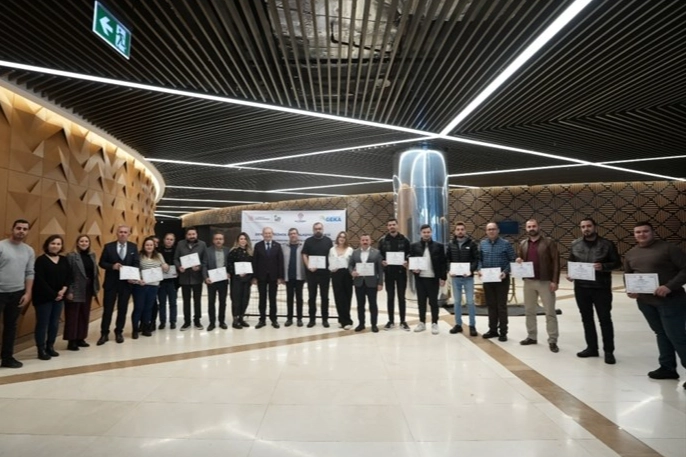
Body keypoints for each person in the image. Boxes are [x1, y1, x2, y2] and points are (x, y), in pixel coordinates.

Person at [624, 221, 686, 388]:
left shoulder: (668, 248)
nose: (641, 234)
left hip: (671, 301)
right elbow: (628, 275)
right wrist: (630, 290)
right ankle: (667, 368)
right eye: (638, 232)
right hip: (646, 302)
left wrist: (669, 286)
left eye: (645, 231)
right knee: (661, 333)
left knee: (677, 336)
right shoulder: (631, 254)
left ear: (653, 232)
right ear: (634, 235)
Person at [567, 217, 621, 364]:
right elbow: (572, 262)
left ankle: (609, 351)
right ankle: (592, 348)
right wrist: (571, 274)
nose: (586, 229)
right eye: (583, 227)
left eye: (589, 226)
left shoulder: (607, 244)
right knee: (586, 319)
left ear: (595, 227)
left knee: (605, 319)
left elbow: (617, 263)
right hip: (581, 288)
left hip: (601, 287)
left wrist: (603, 266)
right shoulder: (575, 244)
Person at [516, 219, 561, 353]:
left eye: (534, 226)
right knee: (529, 310)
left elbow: (556, 262)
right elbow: (521, 260)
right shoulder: (523, 244)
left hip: (545, 281)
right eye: (529, 226)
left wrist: (555, 280)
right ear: (526, 229)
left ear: (538, 227)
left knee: (550, 312)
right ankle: (531, 336)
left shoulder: (549, 242)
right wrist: (518, 261)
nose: (531, 228)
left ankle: (552, 340)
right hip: (528, 282)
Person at [0, 220, 35, 368]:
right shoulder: (1, 246)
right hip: (0, 292)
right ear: (12, 229)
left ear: (27, 232)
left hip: (17, 293)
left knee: (11, 327)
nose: (21, 231)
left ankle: (7, 358)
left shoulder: (29, 250)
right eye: (18, 228)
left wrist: (28, 293)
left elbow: (30, 272)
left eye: (25, 229)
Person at [98, 225, 140, 345]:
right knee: (108, 309)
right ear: (117, 233)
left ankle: (119, 332)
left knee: (122, 309)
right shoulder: (108, 246)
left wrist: (132, 276)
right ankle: (104, 333)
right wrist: (112, 266)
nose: (122, 234)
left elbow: (136, 263)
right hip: (111, 283)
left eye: (125, 232)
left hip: (126, 284)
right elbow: (101, 263)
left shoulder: (133, 247)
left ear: (129, 234)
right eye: (120, 232)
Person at [32, 235, 72, 360]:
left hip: (59, 297)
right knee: (42, 324)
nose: (55, 246)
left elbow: (69, 276)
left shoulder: (64, 259)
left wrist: (63, 290)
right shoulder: (41, 260)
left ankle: (50, 346)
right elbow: (40, 280)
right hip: (43, 298)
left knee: (54, 323)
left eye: (58, 244)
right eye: (53, 243)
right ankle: (41, 349)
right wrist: (55, 294)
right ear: (47, 245)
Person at [479, 222, 516, 342]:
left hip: (502, 279)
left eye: (493, 229)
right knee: (491, 306)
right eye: (489, 229)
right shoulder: (483, 244)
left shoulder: (506, 244)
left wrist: (505, 272)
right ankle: (492, 330)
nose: (491, 231)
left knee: (501, 306)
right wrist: (479, 269)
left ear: (498, 230)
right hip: (487, 280)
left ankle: (503, 332)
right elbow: (479, 260)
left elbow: (512, 260)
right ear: (486, 231)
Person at [409, 224, 447, 335]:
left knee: (433, 302)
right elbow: (410, 260)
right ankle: (422, 322)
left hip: (433, 278)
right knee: (421, 302)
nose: (426, 234)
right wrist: (413, 269)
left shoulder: (439, 246)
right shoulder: (414, 246)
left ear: (431, 233)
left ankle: (434, 323)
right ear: (420, 233)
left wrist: (443, 277)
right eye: (424, 232)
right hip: (420, 279)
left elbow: (443, 263)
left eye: (428, 232)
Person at [64, 235, 100, 351]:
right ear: (77, 243)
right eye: (81, 241)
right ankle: (71, 340)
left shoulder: (92, 255)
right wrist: (69, 291)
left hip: (88, 288)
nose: (84, 243)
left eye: (86, 241)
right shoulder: (71, 256)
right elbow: (68, 274)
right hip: (75, 288)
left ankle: (81, 337)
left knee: (84, 313)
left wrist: (96, 288)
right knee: (73, 315)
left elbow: (94, 273)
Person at [446, 221, 480, 336]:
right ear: (455, 231)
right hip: (455, 278)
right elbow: (447, 259)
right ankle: (458, 324)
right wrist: (449, 269)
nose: (460, 231)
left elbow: (476, 259)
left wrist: (471, 269)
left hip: (468, 277)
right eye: (458, 229)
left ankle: (472, 325)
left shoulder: (472, 244)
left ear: (465, 231)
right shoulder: (451, 244)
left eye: (462, 229)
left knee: (470, 301)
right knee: (457, 302)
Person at [378, 218, 411, 331]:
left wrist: (407, 261)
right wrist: (382, 261)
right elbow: (380, 255)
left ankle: (403, 321)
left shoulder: (405, 239)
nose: (392, 226)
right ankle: (390, 321)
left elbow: (409, 253)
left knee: (402, 297)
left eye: (393, 224)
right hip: (389, 273)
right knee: (390, 297)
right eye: (389, 225)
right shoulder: (382, 240)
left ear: (397, 226)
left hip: (401, 272)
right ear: (387, 227)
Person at [132, 236, 168, 339]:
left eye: (151, 245)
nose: (149, 246)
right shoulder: (139, 255)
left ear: (154, 246)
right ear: (144, 246)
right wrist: (138, 279)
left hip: (154, 286)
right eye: (147, 245)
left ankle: (145, 328)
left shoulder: (159, 255)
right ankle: (135, 329)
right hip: (141, 285)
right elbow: (135, 269)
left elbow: (165, 268)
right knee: (139, 308)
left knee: (148, 308)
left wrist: (165, 266)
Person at [174, 226, 207, 331]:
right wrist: (179, 267)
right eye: (189, 234)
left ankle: (197, 321)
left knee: (197, 301)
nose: (192, 236)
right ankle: (187, 322)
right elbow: (176, 259)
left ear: (197, 235)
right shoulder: (180, 244)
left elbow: (204, 260)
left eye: (193, 234)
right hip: (184, 277)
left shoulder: (202, 244)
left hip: (197, 277)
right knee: (186, 301)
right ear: (186, 235)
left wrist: (199, 267)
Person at [302, 222, 334, 328]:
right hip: (312, 274)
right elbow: (304, 254)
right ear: (313, 230)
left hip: (325, 274)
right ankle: (312, 319)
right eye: (316, 229)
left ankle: (325, 319)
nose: (318, 230)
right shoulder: (308, 241)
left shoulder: (328, 241)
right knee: (312, 297)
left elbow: (332, 256)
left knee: (325, 297)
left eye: (319, 228)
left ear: (323, 229)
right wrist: (308, 266)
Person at [350, 234, 384, 332]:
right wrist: (352, 272)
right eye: (363, 240)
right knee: (360, 305)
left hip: (372, 283)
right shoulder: (355, 252)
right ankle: (361, 324)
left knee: (373, 304)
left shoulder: (376, 253)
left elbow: (380, 269)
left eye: (367, 240)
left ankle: (374, 324)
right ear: (360, 241)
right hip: (359, 282)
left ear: (370, 241)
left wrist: (380, 283)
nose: (365, 242)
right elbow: (350, 265)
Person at [252, 227, 284, 329]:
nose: (268, 235)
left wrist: (280, 277)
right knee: (262, 299)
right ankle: (262, 320)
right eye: (266, 233)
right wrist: (254, 277)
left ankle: (274, 319)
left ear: (272, 234)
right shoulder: (258, 246)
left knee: (272, 299)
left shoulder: (277, 246)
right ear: (262, 234)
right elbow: (255, 262)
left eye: (269, 233)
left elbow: (280, 262)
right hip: (261, 277)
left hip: (273, 277)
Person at [227, 232, 253, 329]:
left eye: (245, 239)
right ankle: (235, 320)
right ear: (238, 241)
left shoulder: (250, 252)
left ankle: (241, 318)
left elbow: (253, 266)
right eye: (241, 239)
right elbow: (229, 265)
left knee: (245, 299)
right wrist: (237, 272)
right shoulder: (233, 251)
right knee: (236, 300)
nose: (243, 240)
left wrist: (249, 275)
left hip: (247, 280)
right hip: (236, 280)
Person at [205, 232, 230, 331]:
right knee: (211, 302)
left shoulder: (227, 250)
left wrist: (229, 273)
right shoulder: (207, 251)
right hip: (212, 280)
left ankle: (222, 321)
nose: (218, 241)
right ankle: (212, 323)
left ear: (223, 240)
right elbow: (204, 265)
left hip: (223, 280)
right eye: (216, 239)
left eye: (220, 239)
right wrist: (205, 277)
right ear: (213, 240)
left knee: (223, 302)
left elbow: (230, 264)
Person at [329, 231, 354, 330]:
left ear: (346, 239)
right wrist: (332, 268)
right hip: (336, 274)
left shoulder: (350, 250)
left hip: (347, 274)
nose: (342, 238)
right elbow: (329, 261)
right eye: (340, 236)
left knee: (347, 297)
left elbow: (352, 263)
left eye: (344, 237)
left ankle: (347, 321)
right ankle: (341, 319)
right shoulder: (332, 250)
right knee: (338, 297)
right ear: (337, 238)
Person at [282, 228, 305, 327]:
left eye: (295, 233)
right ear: (288, 235)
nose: (293, 235)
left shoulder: (303, 246)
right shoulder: (284, 247)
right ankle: (289, 318)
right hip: (289, 277)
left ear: (298, 235)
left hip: (300, 277)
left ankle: (299, 319)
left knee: (299, 298)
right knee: (289, 298)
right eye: (291, 234)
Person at [157, 233, 178, 329]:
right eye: (167, 239)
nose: (169, 241)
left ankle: (173, 321)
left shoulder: (176, 251)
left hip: (173, 281)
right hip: (161, 281)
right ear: (164, 240)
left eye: (171, 239)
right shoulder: (158, 251)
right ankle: (162, 321)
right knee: (162, 303)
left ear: (174, 241)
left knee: (173, 302)